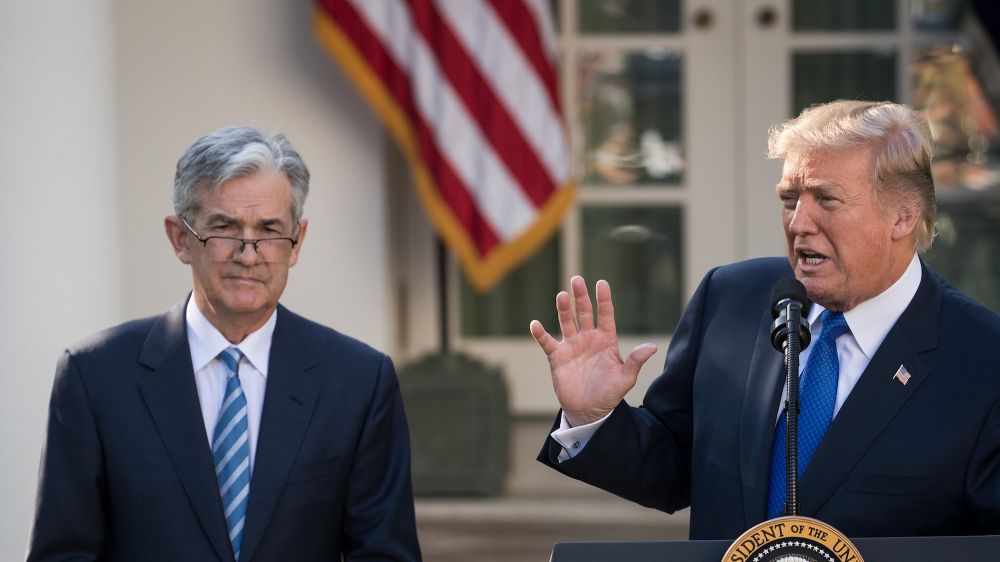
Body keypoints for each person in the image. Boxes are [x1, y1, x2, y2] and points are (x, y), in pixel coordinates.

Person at [530, 100, 1000, 540]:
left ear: (903, 216)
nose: (798, 223)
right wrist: (594, 416)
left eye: (827, 200)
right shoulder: (731, 298)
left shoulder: (983, 359)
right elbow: (673, 467)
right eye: (790, 198)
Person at [27, 126, 422, 561]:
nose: (248, 254)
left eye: (269, 230)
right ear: (180, 238)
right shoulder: (94, 377)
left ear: (296, 242)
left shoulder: (359, 382)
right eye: (224, 228)